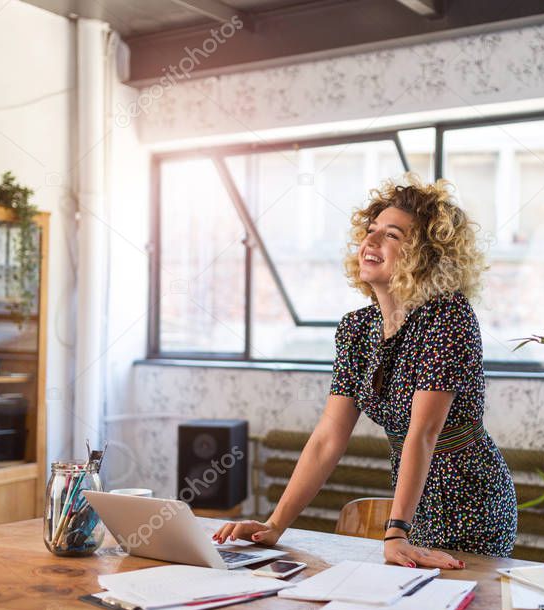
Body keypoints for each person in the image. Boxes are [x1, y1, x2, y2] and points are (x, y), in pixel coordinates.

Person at [215, 176, 517, 568]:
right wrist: (274, 525)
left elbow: (423, 432)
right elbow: (328, 437)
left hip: (472, 499)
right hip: (415, 502)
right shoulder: (356, 329)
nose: (371, 242)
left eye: (391, 235)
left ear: (424, 255)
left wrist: (395, 531)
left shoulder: (448, 316)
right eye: (370, 231)